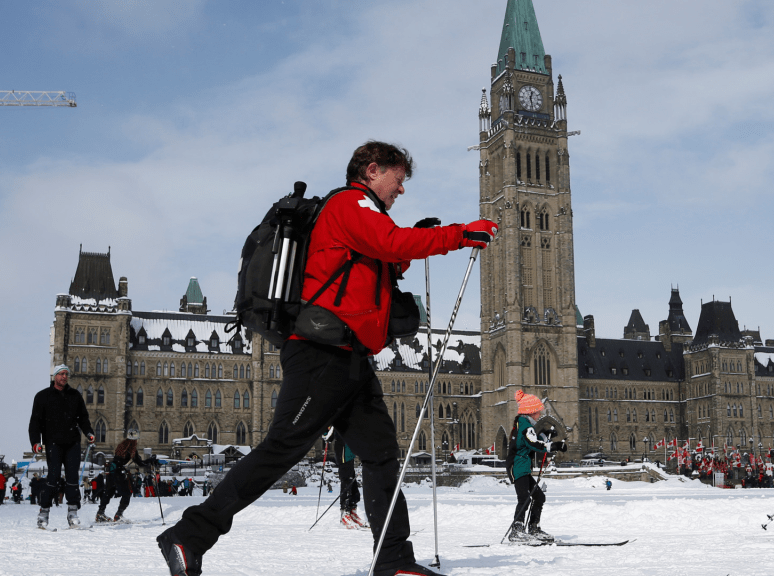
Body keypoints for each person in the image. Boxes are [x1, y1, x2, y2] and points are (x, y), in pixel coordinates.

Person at [157, 141, 498, 576]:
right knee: (281, 450)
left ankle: (393, 560)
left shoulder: (362, 214)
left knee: (380, 458)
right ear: (372, 170)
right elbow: (390, 242)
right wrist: (454, 233)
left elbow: (376, 265)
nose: (401, 190)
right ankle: (189, 535)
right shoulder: (351, 202)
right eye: (398, 179)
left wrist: (410, 251)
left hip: (352, 358)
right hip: (322, 354)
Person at [28, 364, 95, 529]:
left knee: (72, 479)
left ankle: (73, 513)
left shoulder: (75, 395)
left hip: (72, 443)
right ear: (54, 376)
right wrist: (35, 442)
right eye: (61, 374)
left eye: (66, 374)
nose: (64, 377)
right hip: (53, 443)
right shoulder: (42, 396)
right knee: (53, 478)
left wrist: (89, 433)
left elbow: (83, 418)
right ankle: (44, 512)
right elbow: (35, 422)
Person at [506, 390, 567, 543]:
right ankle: (517, 530)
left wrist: (547, 436)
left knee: (539, 496)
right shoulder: (525, 426)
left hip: (523, 467)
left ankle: (533, 528)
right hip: (517, 466)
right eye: (538, 412)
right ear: (530, 411)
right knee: (524, 498)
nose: (539, 415)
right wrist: (554, 446)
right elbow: (533, 442)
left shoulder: (525, 424)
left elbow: (536, 438)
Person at [98, 429, 156, 522]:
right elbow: (140, 463)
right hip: (118, 472)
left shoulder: (122, 445)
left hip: (111, 470)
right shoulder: (131, 449)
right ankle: (118, 515)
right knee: (127, 493)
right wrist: (150, 461)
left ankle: (100, 512)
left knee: (109, 492)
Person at [325, 427, 367, 529]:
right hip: (342, 451)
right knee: (346, 481)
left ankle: (352, 511)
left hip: (350, 452)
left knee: (352, 482)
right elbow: (327, 436)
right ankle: (345, 513)